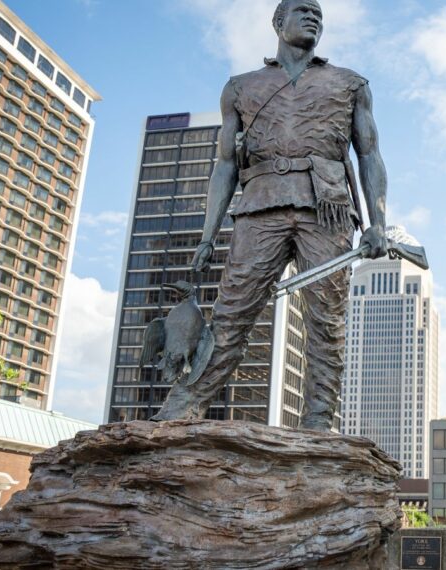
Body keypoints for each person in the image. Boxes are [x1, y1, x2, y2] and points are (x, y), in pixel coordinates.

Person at [151, 0, 388, 429]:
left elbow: (369, 155)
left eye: (319, 13)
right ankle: (182, 407)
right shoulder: (240, 87)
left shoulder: (350, 83)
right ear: (278, 22)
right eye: (303, 10)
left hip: (328, 209)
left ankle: (318, 423)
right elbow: (225, 164)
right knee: (231, 313)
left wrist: (378, 224)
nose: (313, 17)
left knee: (327, 320)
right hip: (259, 206)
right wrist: (207, 236)